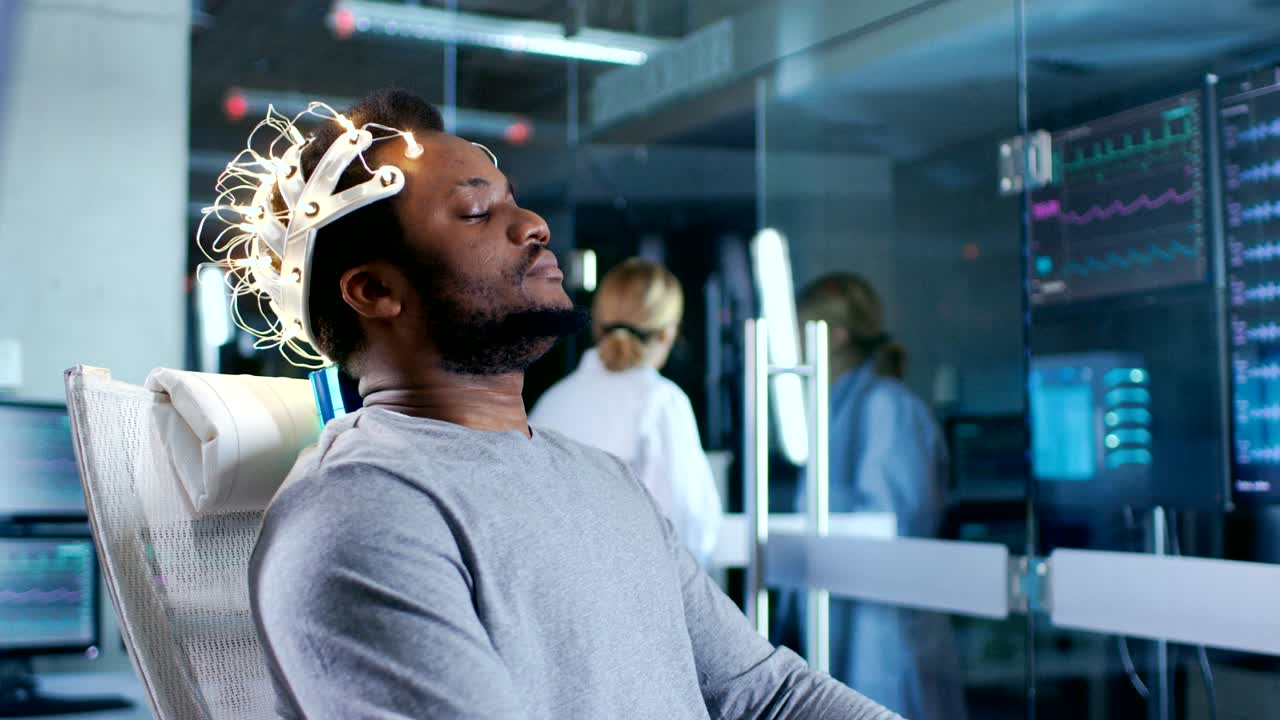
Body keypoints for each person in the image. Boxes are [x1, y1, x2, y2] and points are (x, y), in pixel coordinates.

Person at [247, 90, 900, 719]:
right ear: (374, 290)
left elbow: (768, 697)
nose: (533, 226)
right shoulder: (362, 514)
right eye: (477, 213)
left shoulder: (604, 480)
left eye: (515, 203)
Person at [798, 273, 968, 720]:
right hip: (845, 617)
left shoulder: (885, 406)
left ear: (833, 336)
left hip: (884, 631)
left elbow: (890, 523)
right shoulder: (835, 407)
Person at [531, 258, 722, 565]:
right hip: (635, 595)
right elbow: (688, 530)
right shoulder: (661, 402)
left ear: (597, 325)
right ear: (668, 333)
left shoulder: (553, 401)